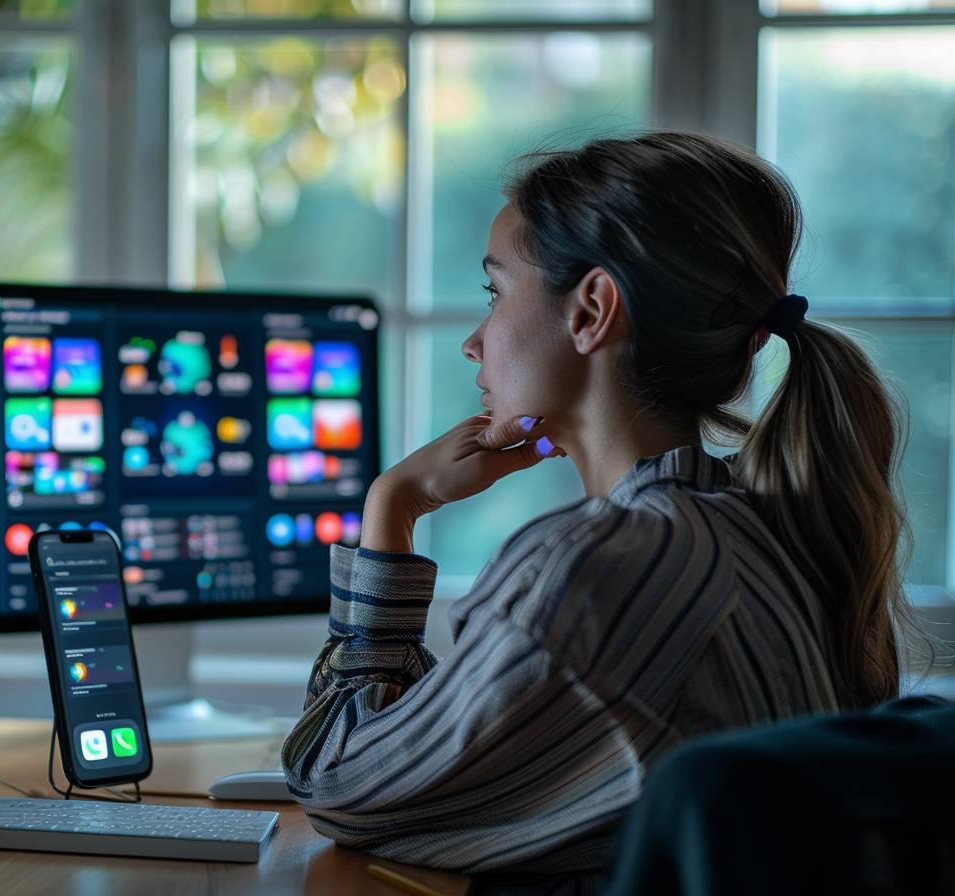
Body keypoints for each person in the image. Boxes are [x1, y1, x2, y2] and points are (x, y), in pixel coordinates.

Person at [281, 132, 912, 888]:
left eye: (495, 293)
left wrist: (394, 504)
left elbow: (339, 783)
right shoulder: (759, 526)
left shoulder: (598, 571)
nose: (475, 344)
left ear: (591, 310)